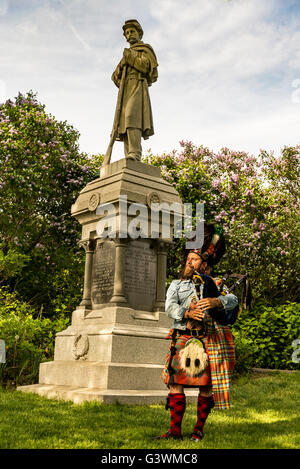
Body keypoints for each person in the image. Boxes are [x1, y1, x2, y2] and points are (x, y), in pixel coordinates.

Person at [156, 224, 239, 441]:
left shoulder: (216, 284)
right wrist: (186, 313)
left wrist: (217, 301)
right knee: (174, 383)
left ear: (205, 262)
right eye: (188, 258)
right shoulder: (176, 284)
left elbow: (233, 300)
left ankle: (198, 430)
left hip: (207, 342)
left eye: (193, 259)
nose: (188, 262)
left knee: (205, 388)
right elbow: (169, 307)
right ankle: (175, 431)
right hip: (182, 339)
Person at [111, 19, 158, 161]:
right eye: (126, 33)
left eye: (132, 31)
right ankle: (129, 154)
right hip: (125, 89)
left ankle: (135, 153)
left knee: (133, 117)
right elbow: (114, 77)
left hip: (138, 84)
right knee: (124, 123)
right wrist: (122, 66)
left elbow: (145, 67)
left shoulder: (144, 50)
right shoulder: (127, 54)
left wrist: (129, 58)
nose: (129, 35)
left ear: (139, 33)